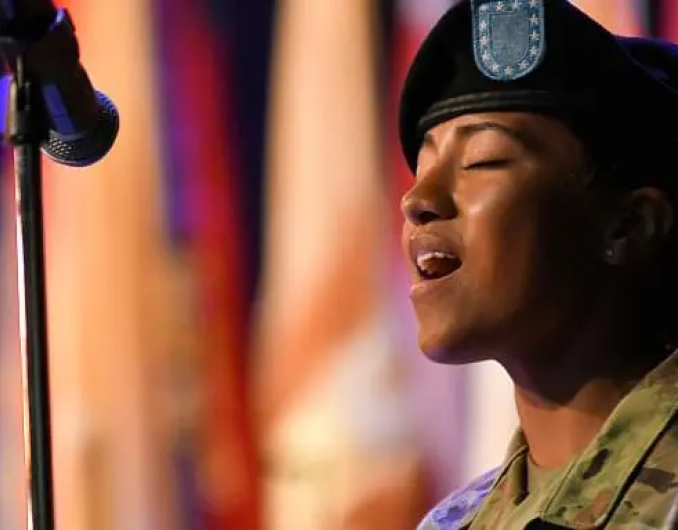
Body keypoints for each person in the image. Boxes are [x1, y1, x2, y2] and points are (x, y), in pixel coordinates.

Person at [398, 0, 678, 528]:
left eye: (484, 160)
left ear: (630, 226)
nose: (417, 200)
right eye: (421, 167)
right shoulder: (453, 522)